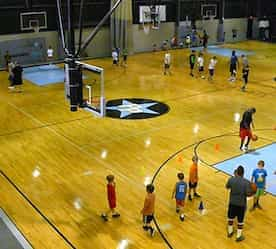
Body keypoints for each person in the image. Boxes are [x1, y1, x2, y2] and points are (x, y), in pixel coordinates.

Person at [226, 165, 252, 242]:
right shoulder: (246, 182)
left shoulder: (231, 179)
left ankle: (230, 232)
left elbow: (227, 187)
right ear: (243, 173)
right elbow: (248, 194)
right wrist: (253, 192)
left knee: (230, 218)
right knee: (240, 221)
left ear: (236, 172)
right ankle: (238, 236)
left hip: (232, 203)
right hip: (241, 204)